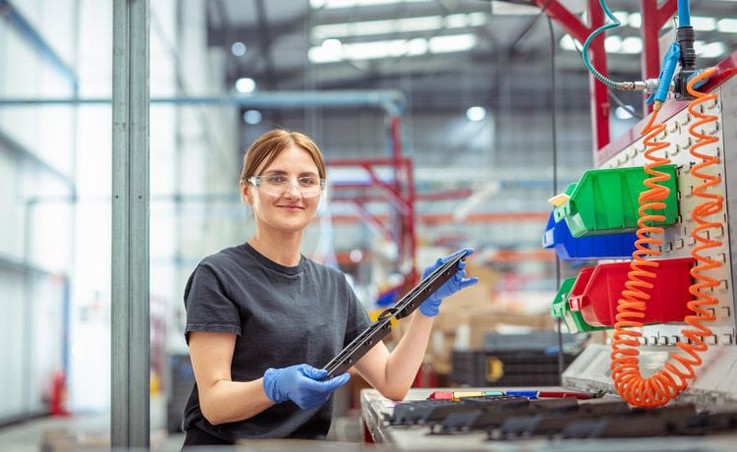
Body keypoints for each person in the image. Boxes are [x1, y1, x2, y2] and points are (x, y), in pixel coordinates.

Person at [181, 129, 478, 446]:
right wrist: (274, 386)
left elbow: (393, 382)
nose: (294, 192)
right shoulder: (218, 275)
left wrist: (426, 308)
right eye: (277, 178)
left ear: (320, 193)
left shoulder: (333, 285)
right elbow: (214, 404)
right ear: (247, 191)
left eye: (307, 180)